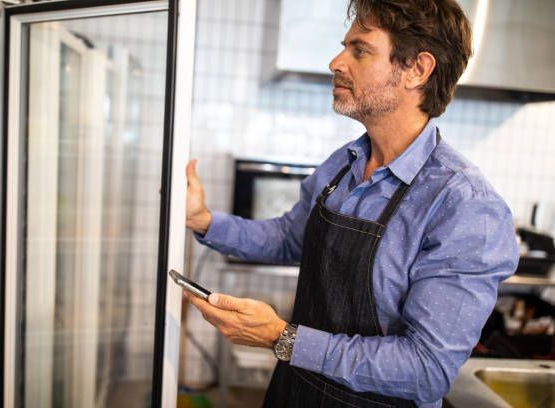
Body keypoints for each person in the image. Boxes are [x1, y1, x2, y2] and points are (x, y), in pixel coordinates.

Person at [183, 0, 519, 407]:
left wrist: (281, 337)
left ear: (418, 69)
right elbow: (289, 238)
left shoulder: (464, 206)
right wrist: (203, 221)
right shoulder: (344, 164)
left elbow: (426, 370)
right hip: (293, 394)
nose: (335, 62)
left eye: (359, 50)